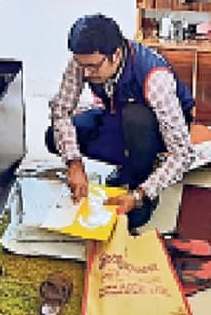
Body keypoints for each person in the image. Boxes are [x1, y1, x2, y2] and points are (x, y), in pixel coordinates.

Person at [45, 14, 196, 230]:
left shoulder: (156, 79)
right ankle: (127, 164)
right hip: (117, 116)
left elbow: (184, 154)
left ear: (116, 55)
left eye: (93, 67)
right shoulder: (84, 62)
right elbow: (61, 111)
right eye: (81, 65)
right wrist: (74, 163)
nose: (85, 73)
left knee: (136, 118)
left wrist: (140, 194)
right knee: (54, 137)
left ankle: (142, 178)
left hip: (158, 133)